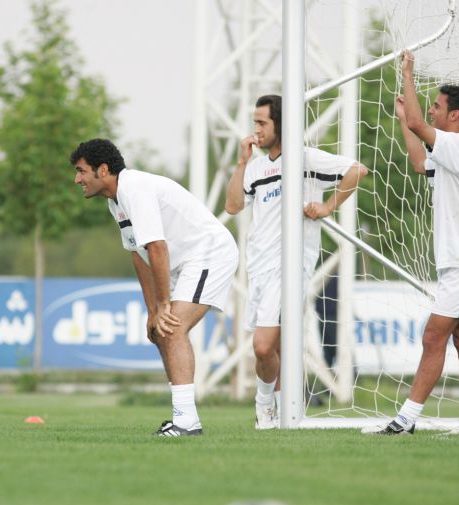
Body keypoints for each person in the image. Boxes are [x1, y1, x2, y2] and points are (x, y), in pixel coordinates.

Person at [71, 138, 239, 437]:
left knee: (171, 327)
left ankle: (186, 422)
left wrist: (163, 306)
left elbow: (157, 248)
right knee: (162, 330)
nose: (77, 179)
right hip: (183, 261)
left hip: (209, 252)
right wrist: (152, 311)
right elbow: (140, 255)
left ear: (103, 170)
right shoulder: (115, 201)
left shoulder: (133, 189)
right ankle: (184, 418)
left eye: (82, 171)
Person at [366, 51, 459, 436]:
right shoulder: (449, 151)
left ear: (454, 115)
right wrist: (404, 119)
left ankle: (405, 420)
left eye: (437, 106)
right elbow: (420, 163)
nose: (432, 110)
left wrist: (408, 74)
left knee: (433, 336)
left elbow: (420, 124)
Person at [225, 94, 369, 429]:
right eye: (255, 122)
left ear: (280, 124)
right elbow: (233, 206)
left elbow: (357, 170)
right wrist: (241, 163)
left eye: (262, 122)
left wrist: (327, 207)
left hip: (289, 267)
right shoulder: (256, 168)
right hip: (258, 267)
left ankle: (264, 406)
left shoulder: (305, 159)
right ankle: (281, 410)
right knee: (273, 347)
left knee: (263, 346)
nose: (256, 129)